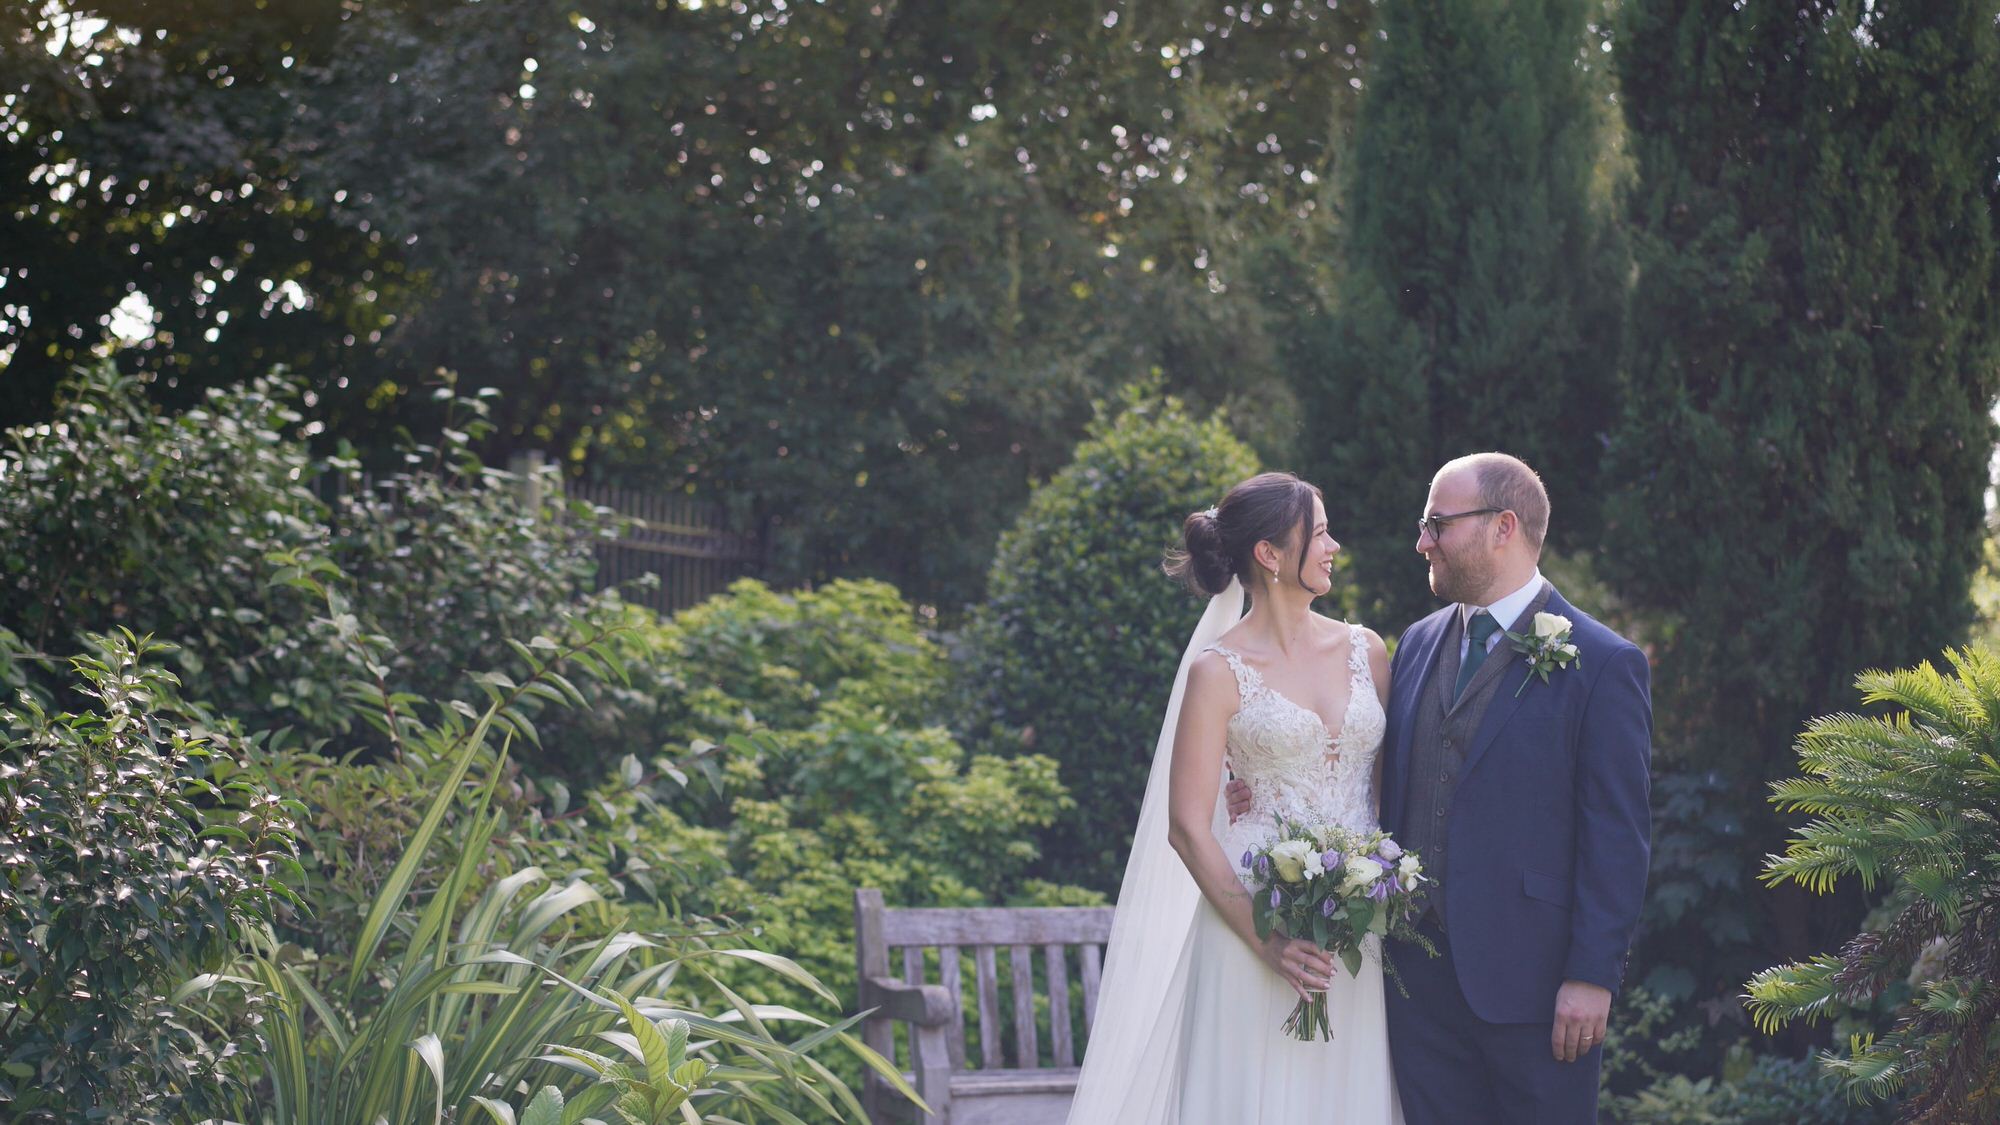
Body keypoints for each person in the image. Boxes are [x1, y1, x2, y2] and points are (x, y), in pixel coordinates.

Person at [1223, 452, 1651, 1124]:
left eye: (1437, 524)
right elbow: (1356, 772)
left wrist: (1592, 974)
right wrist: (1251, 787)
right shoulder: (1416, 644)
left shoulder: (1602, 664)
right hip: (1412, 986)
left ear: (1503, 527)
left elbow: (1618, 837)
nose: (1422, 541)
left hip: (1537, 990)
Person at [1067, 471, 1401, 1124]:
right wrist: (1267, 940)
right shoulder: (1217, 672)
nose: (1334, 546)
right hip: (1253, 926)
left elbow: (1384, 794)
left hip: (1354, 935)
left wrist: (1378, 886)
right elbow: (1187, 827)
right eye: (1320, 533)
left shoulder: (1368, 651)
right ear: (1270, 553)